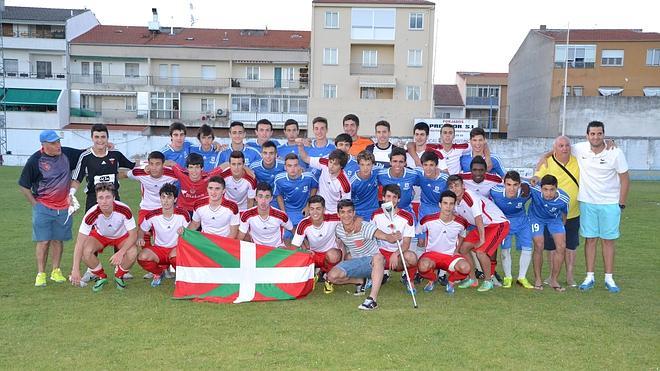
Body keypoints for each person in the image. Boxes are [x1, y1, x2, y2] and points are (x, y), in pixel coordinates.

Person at [18, 130, 81, 287]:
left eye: (58, 142)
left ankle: (56, 271)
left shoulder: (66, 154)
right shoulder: (35, 161)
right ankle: (41, 273)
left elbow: (86, 153)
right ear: (44, 145)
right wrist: (35, 204)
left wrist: (104, 145)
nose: (58, 145)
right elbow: (23, 185)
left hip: (64, 208)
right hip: (43, 207)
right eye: (53, 143)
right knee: (43, 241)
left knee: (58, 240)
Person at [573, 121, 629, 293]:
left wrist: (621, 203)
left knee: (608, 241)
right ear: (587, 135)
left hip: (610, 204)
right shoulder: (579, 148)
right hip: (588, 203)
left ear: (604, 135)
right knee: (590, 240)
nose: (596, 137)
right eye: (593, 134)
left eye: (599, 134)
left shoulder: (615, 152)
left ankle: (609, 278)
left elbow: (625, 178)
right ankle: (589, 277)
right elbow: (560, 147)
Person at [328, 199, 401, 311]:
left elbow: (385, 236)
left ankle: (372, 300)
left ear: (354, 213)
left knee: (378, 257)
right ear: (338, 214)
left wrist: (393, 237)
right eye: (342, 212)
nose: (346, 215)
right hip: (357, 262)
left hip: (372, 263)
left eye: (349, 212)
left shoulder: (365, 227)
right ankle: (360, 281)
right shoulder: (338, 230)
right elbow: (341, 244)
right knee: (332, 277)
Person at [69, 183, 138, 292]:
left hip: (121, 236)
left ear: (114, 198)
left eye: (108, 197)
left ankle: (119, 275)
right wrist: (75, 269)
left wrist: (121, 252)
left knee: (133, 252)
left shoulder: (124, 209)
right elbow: (79, 243)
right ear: (96, 199)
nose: (104, 201)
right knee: (85, 251)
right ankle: (101, 276)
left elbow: (133, 234)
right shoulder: (91, 214)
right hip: (101, 236)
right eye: (101, 198)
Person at [532, 135, 580, 287]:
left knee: (570, 246)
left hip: (573, 212)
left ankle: (570, 277)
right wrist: (535, 176)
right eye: (561, 146)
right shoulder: (547, 161)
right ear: (554, 148)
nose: (564, 148)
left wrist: (610, 142)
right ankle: (551, 276)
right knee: (551, 247)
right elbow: (537, 176)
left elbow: (595, 146)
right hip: (552, 215)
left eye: (567, 145)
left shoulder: (578, 159)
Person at [447, 175, 509, 292]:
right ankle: (472, 279)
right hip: (484, 226)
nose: (455, 189)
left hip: (498, 224)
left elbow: (478, 217)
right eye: (451, 187)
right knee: (463, 248)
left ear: (463, 186)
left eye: (457, 186)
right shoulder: (454, 202)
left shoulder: (469, 196)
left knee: (481, 252)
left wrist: (481, 239)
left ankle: (488, 281)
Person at [417, 190, 472, 294]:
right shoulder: (428, 220)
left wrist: (457, 250)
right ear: (440, 204)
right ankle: (432, 279)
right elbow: (417, 231)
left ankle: (451, 282)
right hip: (431, 255)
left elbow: (462, 236)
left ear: (455, 205)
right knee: (422, 266)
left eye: (451, 203)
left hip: (450, 256)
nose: (448, 207)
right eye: (445, 203)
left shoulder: (461, 222)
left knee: (466, 268)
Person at [71, 124, 135, 211]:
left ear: (107, 138)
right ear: (92, 138)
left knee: (116, 224)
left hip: (114, 199)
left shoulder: (115, 154)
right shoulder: (85, 157)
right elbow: (76, 179)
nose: (100, 140)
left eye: (103, 137)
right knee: (92, 224)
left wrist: (148, 165)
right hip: (93, 200)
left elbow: (133, 165)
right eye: (96, 137)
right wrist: (71, 194)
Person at [136, 183, 190, 287]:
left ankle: (180, 276)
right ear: (160, 198)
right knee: (142, 257)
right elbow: (141, 229)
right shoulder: (152, 215)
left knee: (175, 257)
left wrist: (184, 231)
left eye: (169, 197)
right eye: (163, 197)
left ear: (175, 199)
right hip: (159, 250)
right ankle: (158, 273)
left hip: (176, 249)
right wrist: (140, 237)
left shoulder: (183, 214)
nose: (165, 200)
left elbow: (190, 233)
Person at [489, 171, 534, 289]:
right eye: (508, 185)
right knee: (505, 250)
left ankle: (522, 277)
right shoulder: (495, 192)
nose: (512, 188)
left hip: (522, 222)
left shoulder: (526, 192)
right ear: (504, 184)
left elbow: (537, 186)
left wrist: (530, 182)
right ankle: (508, 277)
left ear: (519, 185)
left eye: (515, 185)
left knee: (527, 247)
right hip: (505, 223)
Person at [371, 184, 418, 295]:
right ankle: (371, 278)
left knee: (411, 257)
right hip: (380, 253)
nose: (391, 200)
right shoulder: (375, 215)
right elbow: (372, 236)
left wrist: (396, 254)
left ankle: (409, 280)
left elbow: (406, 244)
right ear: (383, 198)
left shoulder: (407, 217)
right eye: (388, 196)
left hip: (398, 255)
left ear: (399, 199)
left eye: (394, 197)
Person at [291, 195, 342, 294]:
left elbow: (349, 218)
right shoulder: (303, 224)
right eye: (312, 209)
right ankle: (313, 275)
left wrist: (358, 221)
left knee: (333, 255)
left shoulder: (333, 218)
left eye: (318, 209)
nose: (315, 212)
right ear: (308, 210)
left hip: (330, 254)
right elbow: (294, 247)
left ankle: (328, 279)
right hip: (314, 255)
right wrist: (303, 252)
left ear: (324, 209)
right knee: (303, 255)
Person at [529, 175, 569, 291]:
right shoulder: (534, 189)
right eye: (545, 189)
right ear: (541, 188)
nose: (548, 193)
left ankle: (554, 279)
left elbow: (564, 214)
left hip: (554, 220)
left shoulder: (564, 198)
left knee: (561, 246)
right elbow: (519, 181)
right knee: (539, 245)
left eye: (552, 189)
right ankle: (538, 279)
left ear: (556, 188)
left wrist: (560, 229)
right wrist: (535, 177)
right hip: (536, 218)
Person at [273, 154, 318, 239]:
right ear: (285, 167)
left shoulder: (309, 177)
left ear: (299, 166)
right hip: (289, 212)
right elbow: (278, 195)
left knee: (310, 236)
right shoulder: (279, 179)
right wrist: (283, 212)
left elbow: (314, 187)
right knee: (286, 237)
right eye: (289, 166)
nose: (293, 169)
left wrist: (308, 205)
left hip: (304, 211)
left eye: (295, 165)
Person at [238, 183, 293, 248]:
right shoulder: (247, 215)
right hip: (256, 249)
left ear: (271, 198)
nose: (263, 201)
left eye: (267, 197)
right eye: (260, 196)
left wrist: (292, 249)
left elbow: (292, 230)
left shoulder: (281, 215)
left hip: (277, 249)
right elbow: (240, 237)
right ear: (256, 198)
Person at [301, 148, 351, 214]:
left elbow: (345, 205)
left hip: (333, 213)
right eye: (330, 162)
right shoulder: (324, 163)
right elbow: (306, 158)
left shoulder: (345, 184)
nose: (331, 166)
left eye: (335, 164)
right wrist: (300, 145)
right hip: (318, 208)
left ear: (341, 166)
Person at [377, 147, 421, 216]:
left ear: (405, 163)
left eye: (401, 162)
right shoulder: (381, 175)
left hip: (406, 210)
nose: (397, 165)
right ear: (390, 162)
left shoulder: (413, 175)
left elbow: (426, 182)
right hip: (388, 210)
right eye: (395, 161)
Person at [417, 151, 450, 220]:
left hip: (440, 210)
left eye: (431, 165)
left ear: (436, 165)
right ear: (422, 165)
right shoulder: (418, 174)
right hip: (424, 209)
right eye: (425, 165)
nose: (428, 168)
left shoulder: (445, 179)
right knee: (419, 230)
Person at [349, 151, 380, 221]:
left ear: (373, 165)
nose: (365, 168)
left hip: (375, 212)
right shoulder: (352, 182)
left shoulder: (377, 172)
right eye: (362, 165)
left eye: (368, 164)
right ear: (358, 165)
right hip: (358, 213)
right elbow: (346, 201)